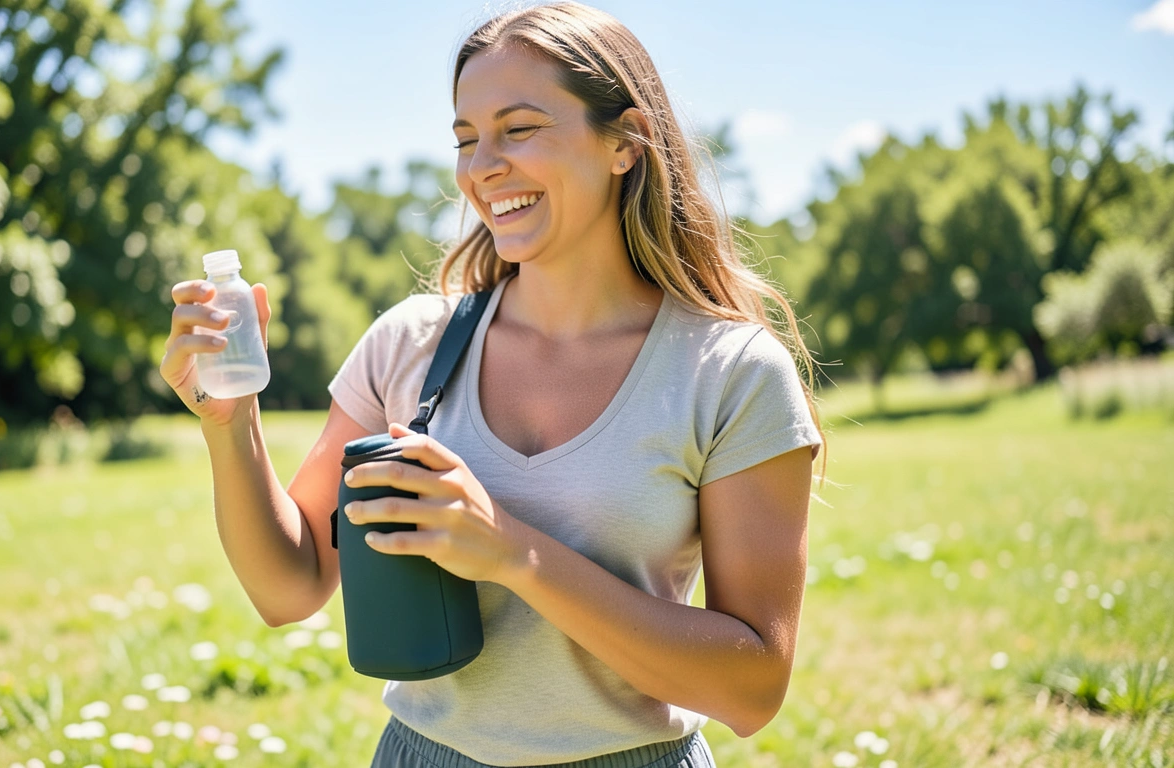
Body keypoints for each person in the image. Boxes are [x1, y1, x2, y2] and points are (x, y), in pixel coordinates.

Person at [159, 3, 825, 766]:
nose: (481, 168)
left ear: (627, 144)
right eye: (466, 139)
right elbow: (290, 589)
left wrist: (510, 551)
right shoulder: (409, 344)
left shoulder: (731, 373)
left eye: (519, 129)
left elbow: (753, 688)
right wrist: (229, 422)